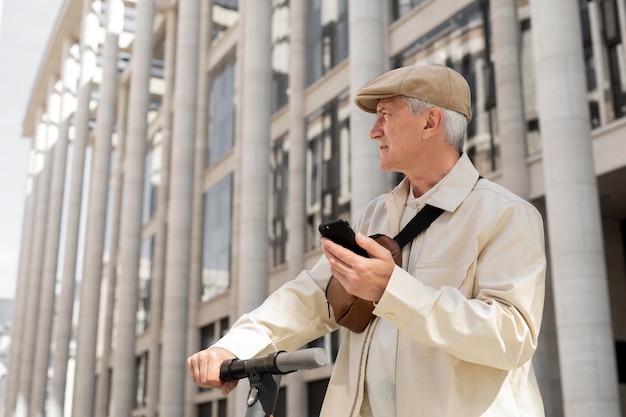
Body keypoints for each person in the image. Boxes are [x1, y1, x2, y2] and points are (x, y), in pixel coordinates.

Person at [187, 64, 546, 417]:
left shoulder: (506, 214)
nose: (374, 132)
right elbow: (313, 296)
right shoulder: (376, 215)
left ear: (430, 122)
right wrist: (233, 346)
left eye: (386, 115)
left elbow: (511, 337)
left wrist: (392, 289)